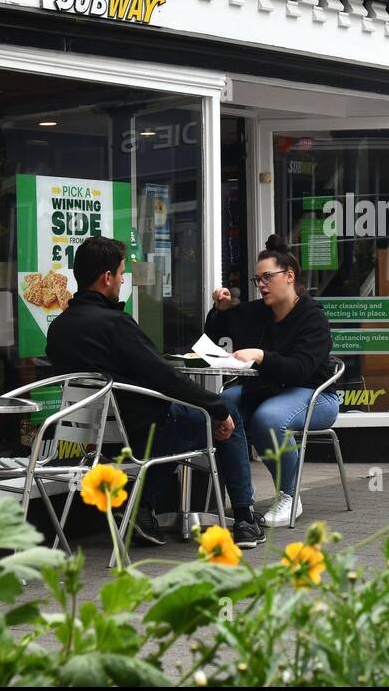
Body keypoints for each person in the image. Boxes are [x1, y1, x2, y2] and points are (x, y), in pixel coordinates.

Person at [46, 236, 265, 549]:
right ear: (106, 277)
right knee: (223, 420)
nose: (123, 279)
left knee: (180, 426)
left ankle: (141, 508)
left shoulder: (59, 328)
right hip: (139, 431)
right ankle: (245, 519)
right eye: (121, 273)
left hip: (92, 437)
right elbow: (165, 378)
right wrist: (217, 407)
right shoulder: (115, 324)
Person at [205, 235, 337, 527]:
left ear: (289, 277)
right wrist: (221, 309)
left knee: (266, 418)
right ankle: (242, 503)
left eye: (267, 277)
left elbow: (300, 369)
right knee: (223, 403)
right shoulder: (259, 312)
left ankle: (290, 497)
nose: (261, 285)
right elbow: (217, 332)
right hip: (270, 390)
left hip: (315, 395)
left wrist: (262, 356)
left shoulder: (313, 318)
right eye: (257, 279)